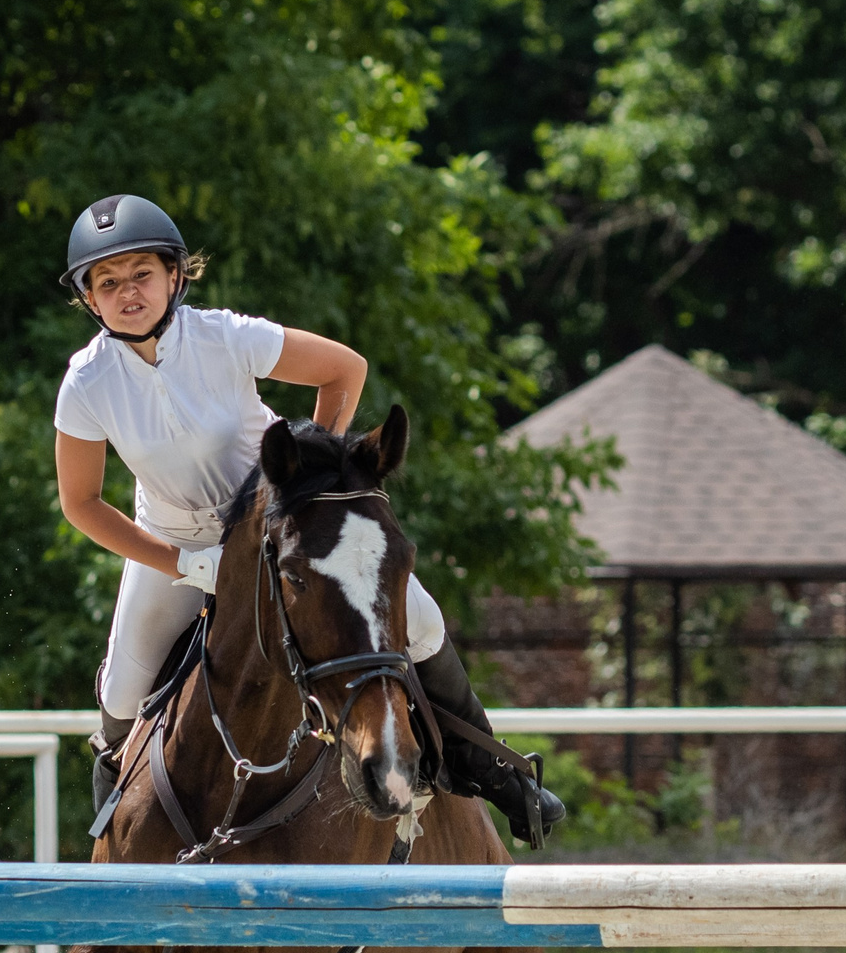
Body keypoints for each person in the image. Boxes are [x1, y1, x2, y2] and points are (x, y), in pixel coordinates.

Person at [51, 193, 563, 845]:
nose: (128, 292)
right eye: (108, 282)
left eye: (141, 274)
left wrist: (308, 485)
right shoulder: (87, 382)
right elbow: (82, 503)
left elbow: (345, 371)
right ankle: (110, 832)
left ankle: (494, 771)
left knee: (422, 616)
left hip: (278, 527)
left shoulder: (224, 336)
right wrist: (185, 563)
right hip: (176, 542)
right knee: (123, 690)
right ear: (90, 300)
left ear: (175, 275)